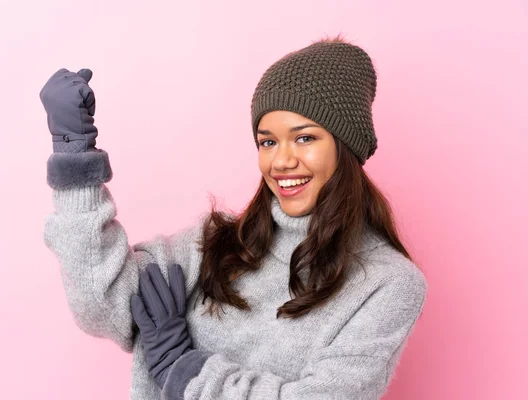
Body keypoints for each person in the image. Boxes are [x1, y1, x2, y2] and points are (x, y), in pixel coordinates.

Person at [40, 36, 427, 400]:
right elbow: (100, 304)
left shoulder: (386, 284)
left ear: (346, 147)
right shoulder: (214, 243)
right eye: (268, 141)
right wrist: (75, 163)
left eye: (305, 138)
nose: (282, 160)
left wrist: (187, 372)